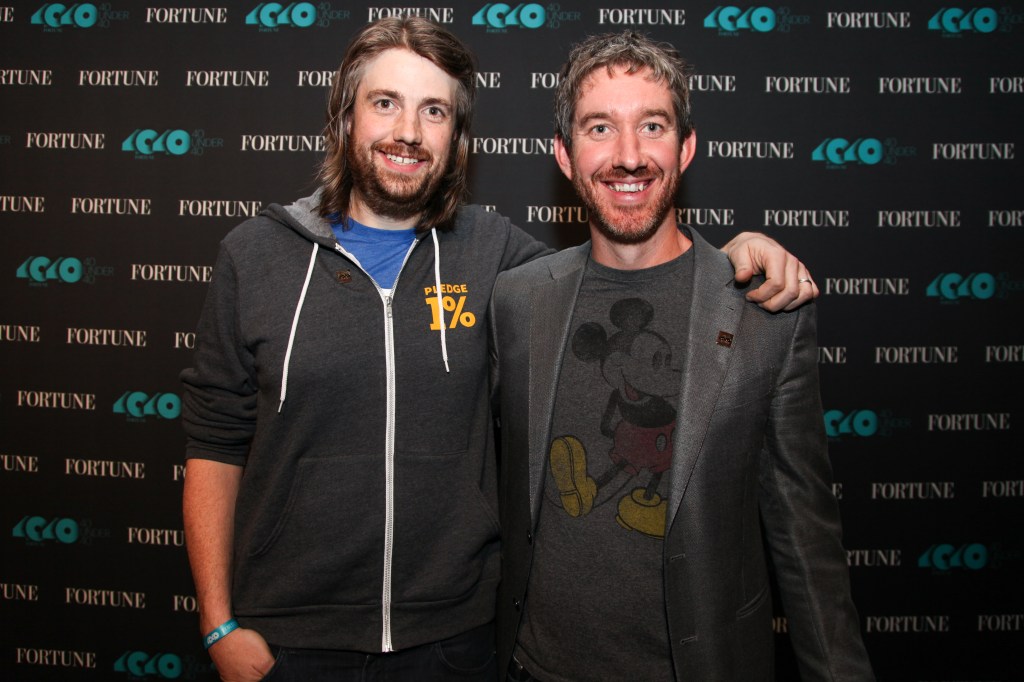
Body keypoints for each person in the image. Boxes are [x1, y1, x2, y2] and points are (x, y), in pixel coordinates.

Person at [181, 18, 818, 682]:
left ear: (456, 139)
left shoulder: (498, 259)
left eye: (434, 111)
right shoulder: (254, 256)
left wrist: (737, 257)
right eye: (385, 103)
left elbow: (624, 253)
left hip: (457, 638)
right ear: (344, 119)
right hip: (289, 640)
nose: (407, 131)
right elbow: (214, 444)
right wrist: (219, 622)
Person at [490, 31, 874, 681]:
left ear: (686, 147)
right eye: (599, 128)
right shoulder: (517, 300)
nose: (629, 156)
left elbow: (806, 542)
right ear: (563, 154)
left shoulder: (764, 310)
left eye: (653, 126)